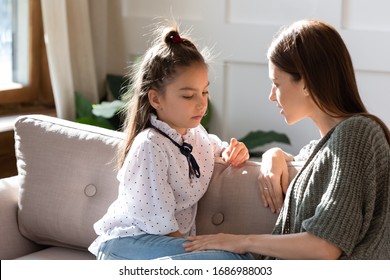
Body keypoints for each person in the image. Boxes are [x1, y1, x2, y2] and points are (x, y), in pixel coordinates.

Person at [179, 19, 390, 260]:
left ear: (306, 83)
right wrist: (274, 154)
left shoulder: (358, 133)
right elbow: (310, 163)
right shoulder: (326, 146)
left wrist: (239, 241)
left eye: (276, 83)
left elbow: (324, 247)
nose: (271, 96)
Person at [88, 23, 252, 260]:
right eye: (188, 95)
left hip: (164, 245)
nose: (201, 103)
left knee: (240, 258)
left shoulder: (196, 136)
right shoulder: (150, 145)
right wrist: (195, 253)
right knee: (230, 260)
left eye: (204, 92)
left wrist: (234, 151)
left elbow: (216, 148)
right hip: (126, 246)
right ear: (155, 98)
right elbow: (159, 224)